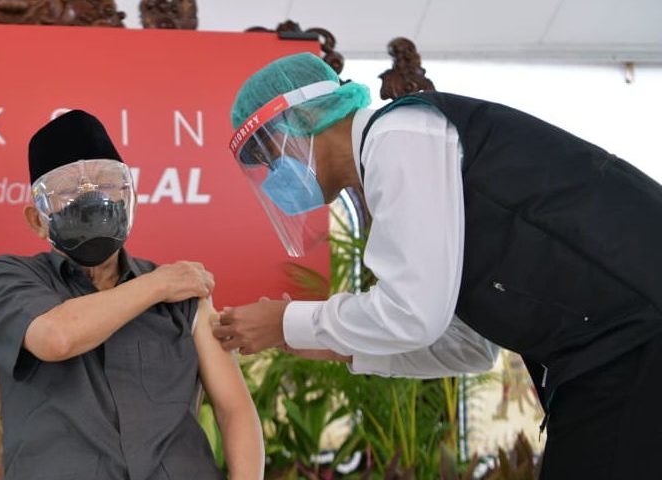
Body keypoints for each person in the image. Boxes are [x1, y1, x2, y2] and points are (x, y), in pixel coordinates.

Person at [212, 52, 662, 479]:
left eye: (270, 153)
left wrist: (287, 321)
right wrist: (329, 346)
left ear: (307, 116)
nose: (273, 175)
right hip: (609, 350)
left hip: (633, 334)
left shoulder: (400, 136)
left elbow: (412, 314)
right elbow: (468, 346)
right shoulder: (397, 173)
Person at [0, 110, 263, 480]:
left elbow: (235, 409)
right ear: (37, 220)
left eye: (106, 183)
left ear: (131, 198)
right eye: (68, 191)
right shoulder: (9, 277)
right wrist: (157, 285)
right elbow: (56, 337)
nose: (91, 198)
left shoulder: (185, 296)